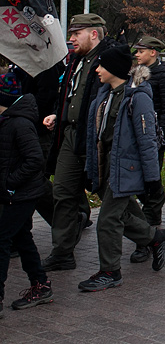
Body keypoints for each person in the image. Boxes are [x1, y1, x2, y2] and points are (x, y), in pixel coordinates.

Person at [78, 46, 165, 291]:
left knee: (107, 220)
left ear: (114, 69)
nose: (97, 70)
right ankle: (155, 238)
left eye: (101, 66)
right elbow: (94, 135)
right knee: (123, 214)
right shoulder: (104, 94)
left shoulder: (137, 96)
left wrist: (152, 179)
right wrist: (91, 169)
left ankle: (110, 272)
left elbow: (147, 139)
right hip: (106, 164)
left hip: (126, 167)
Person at [40, 14, 116, 271]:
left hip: (95, 139)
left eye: (76, 33)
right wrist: (57, 115)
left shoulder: (110, 59)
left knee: (109, 195)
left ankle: (149, 238)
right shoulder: (75, 61)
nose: (71, 39)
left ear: (94, 34)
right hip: (69, 135)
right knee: (62, 193)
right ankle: (62, 252)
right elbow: (69, 95)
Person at [0, 93, 53, 315]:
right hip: (13, 193)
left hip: (22, 194)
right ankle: (40, 284)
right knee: (21, 237)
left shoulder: (20, 124)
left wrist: (10, 183)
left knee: (1, 239)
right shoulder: (7, 123)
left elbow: (35, 160)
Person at [130, 36, 165, 263]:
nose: (137, 54)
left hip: (154, 136)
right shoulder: (137, 73)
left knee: (151, 183)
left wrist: (163, 131)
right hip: (137, 136)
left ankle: (149, 236)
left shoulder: (163, 74)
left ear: (153, 52)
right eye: (136, 51)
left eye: (141, 51)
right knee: (140, 186)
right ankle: (148, 227)